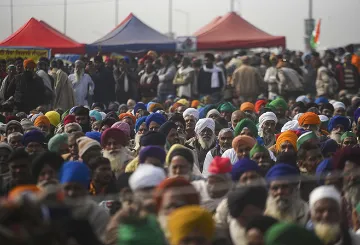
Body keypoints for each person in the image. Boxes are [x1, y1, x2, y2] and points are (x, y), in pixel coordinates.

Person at [59, 161, 110, 242]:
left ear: (85, 189)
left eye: (77, 188)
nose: (71, 193)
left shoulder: (98, 214)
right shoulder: (53, 212)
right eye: (67, 188)